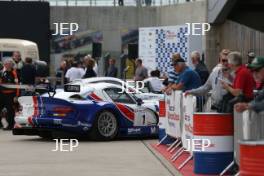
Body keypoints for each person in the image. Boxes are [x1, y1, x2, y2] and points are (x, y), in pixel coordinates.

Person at [0, 59, 20, 130]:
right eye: (5, 64)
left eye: (8, 64)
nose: (6, 65)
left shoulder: (14, 72)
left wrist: (16, 96)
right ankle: (3, 123)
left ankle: (10, 125)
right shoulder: (2, 72)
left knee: (10, 111)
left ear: (11, 65)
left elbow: (17, 85)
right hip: (2, 94)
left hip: (11, 94)